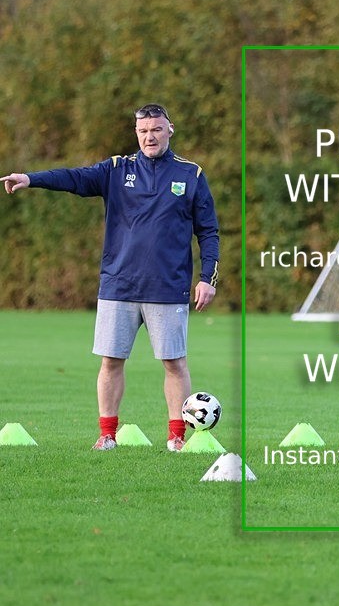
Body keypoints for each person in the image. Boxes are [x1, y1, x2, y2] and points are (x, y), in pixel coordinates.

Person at [2, 103, 220, 452]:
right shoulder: (117, 170)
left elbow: (208, 231)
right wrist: (31, 179)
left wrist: (208, 277)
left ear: (170, 130)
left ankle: (177, 438)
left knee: (175, 364)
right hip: (119, 285)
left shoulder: (190, 175)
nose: (150, 136)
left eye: (157, 129)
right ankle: (107, 435)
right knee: (111, 360)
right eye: (143, 131)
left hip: (168, 287)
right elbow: (74, 178)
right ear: (137, 133)